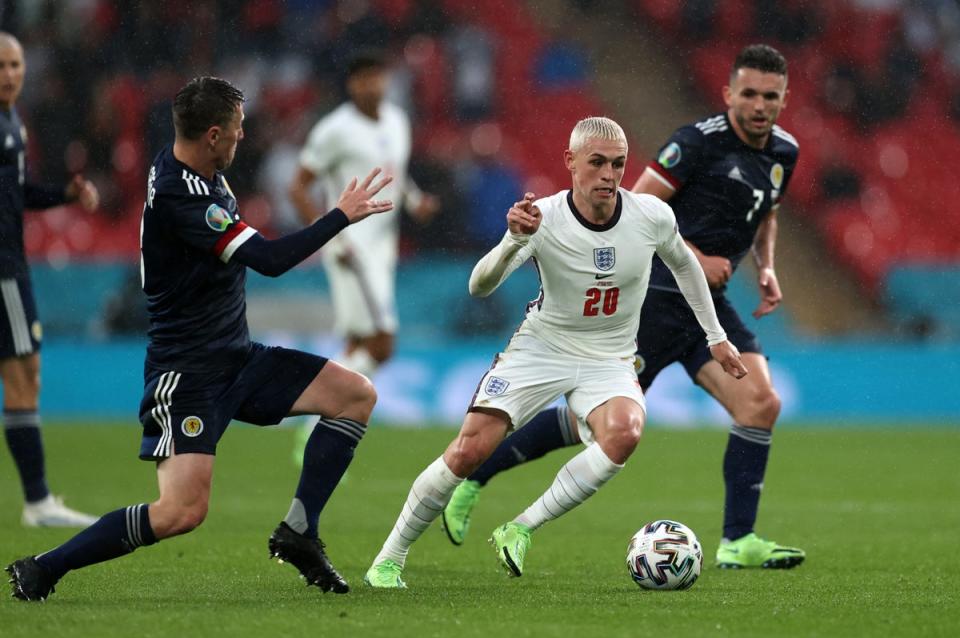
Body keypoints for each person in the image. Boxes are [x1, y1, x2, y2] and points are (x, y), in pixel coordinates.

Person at [6, 76, 393, 601]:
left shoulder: (193, 167)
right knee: (181, 512)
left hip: (237, 357)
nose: (241, 138)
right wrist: (340, 216)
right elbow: (272, 262)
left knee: (355, 396)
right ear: (212, 134)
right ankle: (44, 567)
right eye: (236, 130)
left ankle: (299, 532)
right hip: (188, 372)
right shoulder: (183, 194)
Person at [441, 44, 806, 570]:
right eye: (747, 93)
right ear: (729, 93)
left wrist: (766, 268)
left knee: (760, 404)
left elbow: (766, 212)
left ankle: (737, 540)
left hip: (707, 305)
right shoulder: (696, 144)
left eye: (769, 96)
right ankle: (475, 476)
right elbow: (635, 205)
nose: (758, 105)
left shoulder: (784, 153)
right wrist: (698, 256)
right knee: (586, 422)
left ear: (784, 99)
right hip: (653, 298)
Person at [364, 116, 747, 588]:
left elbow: (687, 267)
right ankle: (390, 557)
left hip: (608, 358)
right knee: (468, 451)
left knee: (625, 433)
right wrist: (512, 241)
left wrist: (716, 336)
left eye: (619, 164)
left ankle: (520, 527)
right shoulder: (542, 219)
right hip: (542, 348)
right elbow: (479, 285)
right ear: (570, 162)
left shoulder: (650, 216)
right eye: (598, 163)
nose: (610, 175)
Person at [288, 51, 438, 463]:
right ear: (351, 84)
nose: (372, 85)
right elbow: (298, 187)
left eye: (378, 76)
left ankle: (325, 430)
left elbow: (395, 171)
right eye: (363, 78)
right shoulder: (334, 130)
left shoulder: (396, 120)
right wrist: (328, 237)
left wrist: (415, 200)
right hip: (352, 248)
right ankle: (312, 423)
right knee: (383, 343)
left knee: (357, 341)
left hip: (382, 248)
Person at [0, 32, 100, 527]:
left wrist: (64, 194)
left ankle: (38, 499)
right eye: (1, 65)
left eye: (15, 64)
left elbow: (16, 193)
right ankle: (38, 502)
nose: (9, 74)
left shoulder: (11, 121)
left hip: (11, 265)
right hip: (3, 271)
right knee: (22, 375)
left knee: (26, 376)